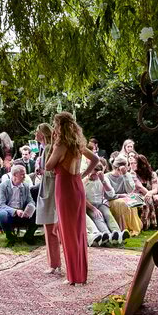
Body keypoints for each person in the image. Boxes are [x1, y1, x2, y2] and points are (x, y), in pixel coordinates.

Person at [46, 112, 102, 285]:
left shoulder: (61, 145)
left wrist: (51, 145)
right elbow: (95, 159)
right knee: (78, 231)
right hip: (77, 184)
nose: (54, 128)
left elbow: (48, 166)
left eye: (55, 125)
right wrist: (83, 174)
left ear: (59, 126)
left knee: (68, 232)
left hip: (65, 188)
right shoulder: (77, 144)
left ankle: (73, 276)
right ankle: (79, 274)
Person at [33, 122, 62, 274]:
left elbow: (54, 171)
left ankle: (54, 263)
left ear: (42, 133)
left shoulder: (49, 148)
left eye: (37, 132)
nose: (35, 135)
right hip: (47, 188)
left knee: (50, 228)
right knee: (49, 228)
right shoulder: (44, 148)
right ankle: (54, 262)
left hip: (50, 190)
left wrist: (43, 171)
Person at [0, 164, 37, 244]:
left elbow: (30, 200)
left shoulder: (25, 186)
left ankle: (28, 235)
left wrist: (29, 208)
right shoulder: (3, 186)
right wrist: (15, 211)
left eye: (24, 174)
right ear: (14, 175)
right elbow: (1, 205)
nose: (25, 176)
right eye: (22, 174)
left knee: (39, 211)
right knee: (2, 214)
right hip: (9, 213)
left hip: (22, 213)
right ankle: (9, 235)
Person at [105, 152, 143, 236]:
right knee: (122, 203)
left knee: (132, 201)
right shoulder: (107, 177)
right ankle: (123, 229)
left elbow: (130, 190)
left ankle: (133, 227)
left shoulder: (127, 175)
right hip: (112, 200)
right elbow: (109, 195)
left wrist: (125, 175)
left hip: (125, 198)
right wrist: (120, 195)